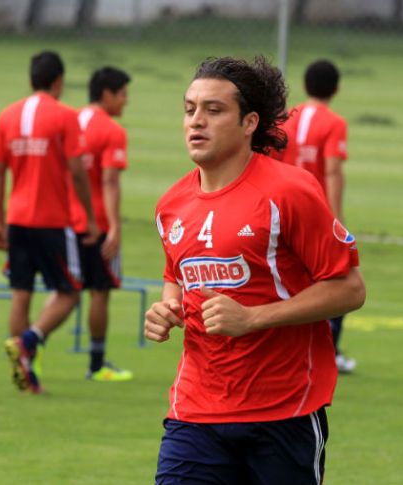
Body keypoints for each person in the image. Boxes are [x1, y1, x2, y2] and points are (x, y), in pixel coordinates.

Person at [145, 56, 366, 485]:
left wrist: (252, 318)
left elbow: (349, 288)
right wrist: (167, 308)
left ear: (249, 122)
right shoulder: (171, 205)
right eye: (190, 109)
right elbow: (177, 275)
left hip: (283, 411)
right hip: (195, 410)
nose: (196, 121)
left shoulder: (290, 191)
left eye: (214, 110)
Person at [0, 50, 100, 394]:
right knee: (70, 292)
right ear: (59, 81)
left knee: (20, 294)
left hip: (17, 219)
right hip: (52, 220)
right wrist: (90, 218)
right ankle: (29, 341)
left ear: (31, 79)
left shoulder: (7, 115)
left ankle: (24, 373)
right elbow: (78, 172)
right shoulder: (65, 116)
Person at [274, 59, 356, 374]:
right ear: (336, 89)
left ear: (304, 85)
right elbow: (332, 171)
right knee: (337, 278)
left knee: (289, 278)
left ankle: (289, 350)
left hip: (281, 210)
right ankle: (328, 351)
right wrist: (338, 218)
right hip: (315, 213)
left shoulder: (286, 118)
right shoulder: (334, 123)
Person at [66, 66, 134, 382]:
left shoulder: (69, 120)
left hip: (64, 221)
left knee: (64, 291)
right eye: (123, 94)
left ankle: (29, 345)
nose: (126, 101)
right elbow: (109, 182)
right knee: (100, 291)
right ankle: (96, 364)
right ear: (107, 94)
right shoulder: (111, 130)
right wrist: (115, 228)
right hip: (97, 224)